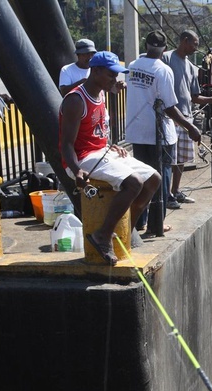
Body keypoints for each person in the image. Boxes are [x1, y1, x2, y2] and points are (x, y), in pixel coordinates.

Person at [59, 51, 161, 265]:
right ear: (95, 72)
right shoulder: (76, 100)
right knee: (134, 183)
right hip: (83, 158)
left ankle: (125, 230)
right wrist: (77, 170)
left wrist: (109, 145)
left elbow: (97, 131)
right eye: (111, 75)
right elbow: (67, 143)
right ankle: (103, 235)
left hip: (101, 151)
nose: (115, 80)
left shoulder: (101, 93)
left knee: (153, 179)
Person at [125, 30, 201, 234]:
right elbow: (169, 107)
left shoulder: (133, 66)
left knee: (142, 176)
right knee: (161, 179)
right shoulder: (163, 70)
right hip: (160, 135)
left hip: (137, 133)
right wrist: (190, 126)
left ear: (146, 46)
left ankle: (140, 221)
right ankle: (156, 225)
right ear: (165, 49)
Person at [162, 30, 212, 208]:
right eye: (194, 44)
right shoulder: (166, 58)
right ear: (184, 41)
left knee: (181, 159)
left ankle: (176, 191)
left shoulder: (191, 66)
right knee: (169, 159)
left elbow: (195, 97)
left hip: (186, 115)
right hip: (170, 116)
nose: (196, 48)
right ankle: (166, 195)